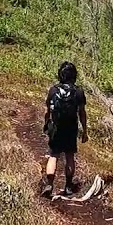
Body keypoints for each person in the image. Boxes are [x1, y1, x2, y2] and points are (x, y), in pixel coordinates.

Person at [41, 61, 88, 198]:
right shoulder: (78, 91)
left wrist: (46, 124)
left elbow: (48, 111)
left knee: (54, 155)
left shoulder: (53, 90)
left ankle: (49, 184)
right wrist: (84, 130)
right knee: (69, 156)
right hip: (71, 128)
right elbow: (82, 113)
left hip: (56, 127)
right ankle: (68, 186)